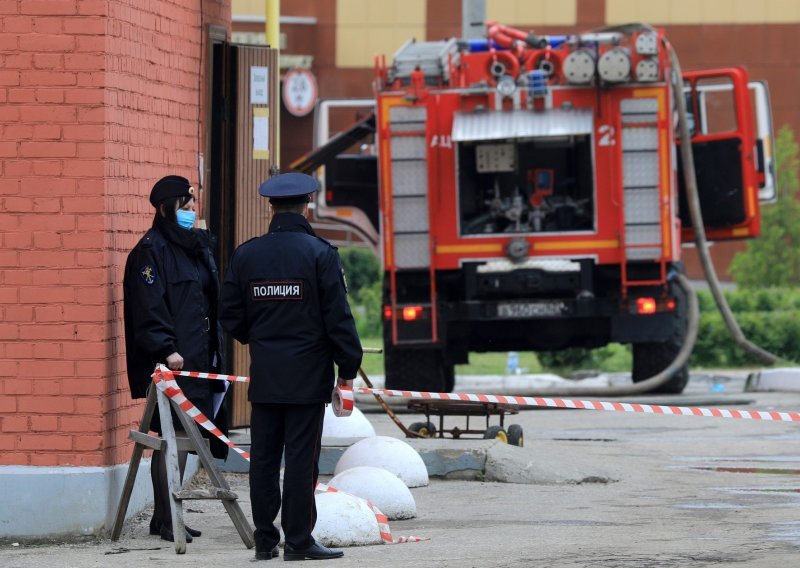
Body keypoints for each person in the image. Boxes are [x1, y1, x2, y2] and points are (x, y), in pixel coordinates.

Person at [219, 172, 362, 561]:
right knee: (301, 460)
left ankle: (265, 540)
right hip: (308, 378)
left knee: (263, 459)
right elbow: (338, 318)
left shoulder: (247, 254)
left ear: (271, 207)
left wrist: (258, 338)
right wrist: (348, 365)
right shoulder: (319, 254)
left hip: (265, 375)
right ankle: (298, 541)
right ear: (306, 205)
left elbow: (230, 314)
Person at [123, 175, 229, 543]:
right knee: (171, 438)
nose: (192, 211)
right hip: (174, 364)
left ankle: (166, 516)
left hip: (201, 357)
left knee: (185, 435)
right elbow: (148, 307)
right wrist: (167, 348)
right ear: (169, 208)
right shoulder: (150, 252)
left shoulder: (194, 246)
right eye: (185, 206)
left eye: (193, 205)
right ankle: (167, 518)